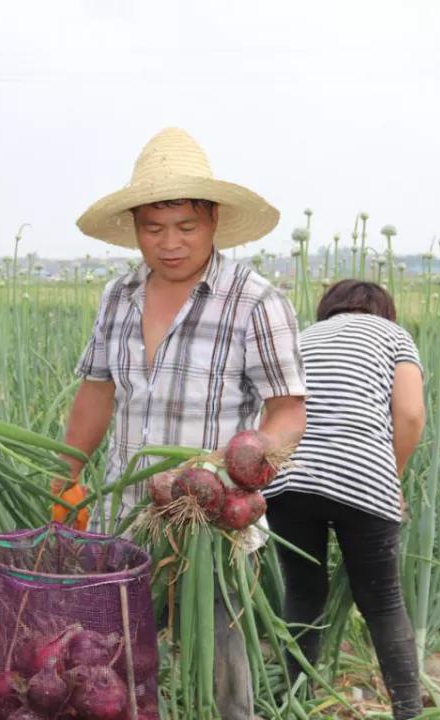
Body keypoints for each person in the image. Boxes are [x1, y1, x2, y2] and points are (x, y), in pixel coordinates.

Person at [55, 128, 307, 720]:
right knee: (112, 670)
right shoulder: (118, 296)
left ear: (214, 220)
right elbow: (96, 392)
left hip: (212, 523)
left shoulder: (255, 301)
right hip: (125, 517)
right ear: (136, 226)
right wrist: (65, 477)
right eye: (154, 229)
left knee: (222, 669)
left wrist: (242, 464)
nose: (169, 244)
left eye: (186, 228)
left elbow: (289, 408)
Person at [262, 280, 426, 719]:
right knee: (384, 601)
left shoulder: (301, 338)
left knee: (302, 594)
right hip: (363, 474)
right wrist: (391, 478)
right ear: (384, 310)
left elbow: (272, 407)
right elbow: (409, 414)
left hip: (289, 477)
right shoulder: (394, 336)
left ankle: (292, 703)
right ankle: (408, 711)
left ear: (328, 309)